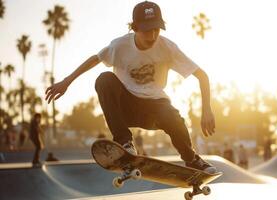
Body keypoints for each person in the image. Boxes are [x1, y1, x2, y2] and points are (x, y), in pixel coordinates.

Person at [45, 1, 217, 174]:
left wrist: (207, 110)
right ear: (134, 28)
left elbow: (202, 76)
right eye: (147, 30)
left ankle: (191, 159)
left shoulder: (168, 48)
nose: (152, 36)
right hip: (126, 107)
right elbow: (95, 59)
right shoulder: (120, 45)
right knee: (104, 79)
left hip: (155, 109)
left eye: (156, 30)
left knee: (174, 118)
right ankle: (124, 143)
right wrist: (67, 81)